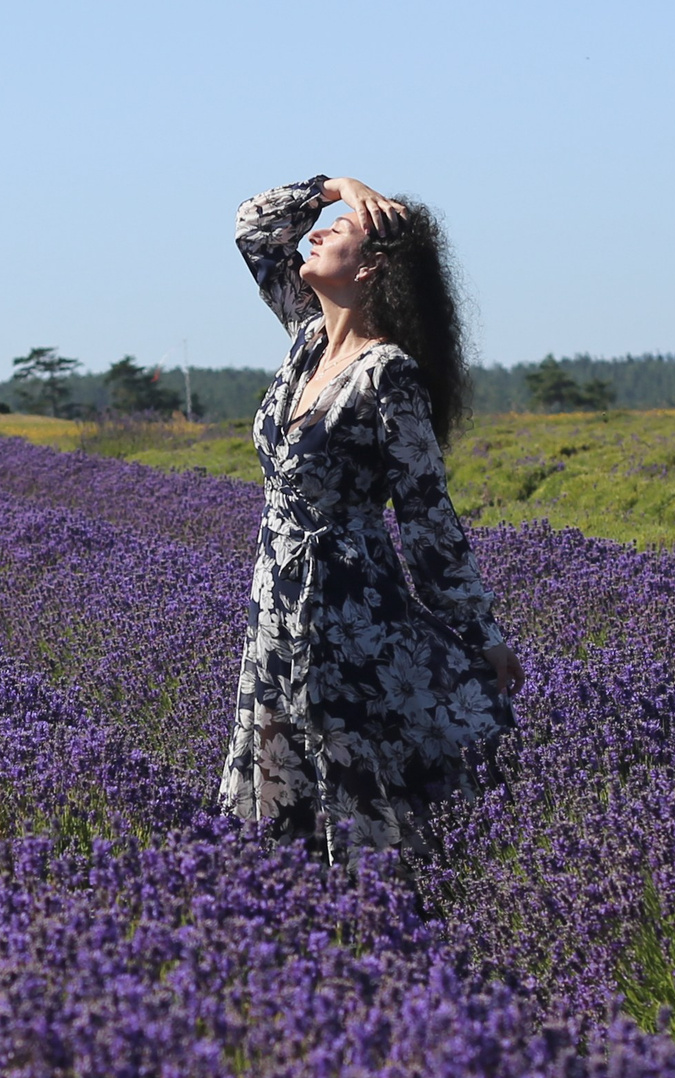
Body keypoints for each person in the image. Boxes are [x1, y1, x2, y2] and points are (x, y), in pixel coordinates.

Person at [216, 175, 523, 855]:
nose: (315, 233)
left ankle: (384, 925)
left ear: (372, 266)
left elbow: (425, 513)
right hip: (274, 609)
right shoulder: (306, 338)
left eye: (338, 230)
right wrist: (336, 187)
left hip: (347, 617)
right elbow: (254, 228)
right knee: (283, 787)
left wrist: (481, 631)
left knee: (351, 789)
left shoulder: (389, 372)